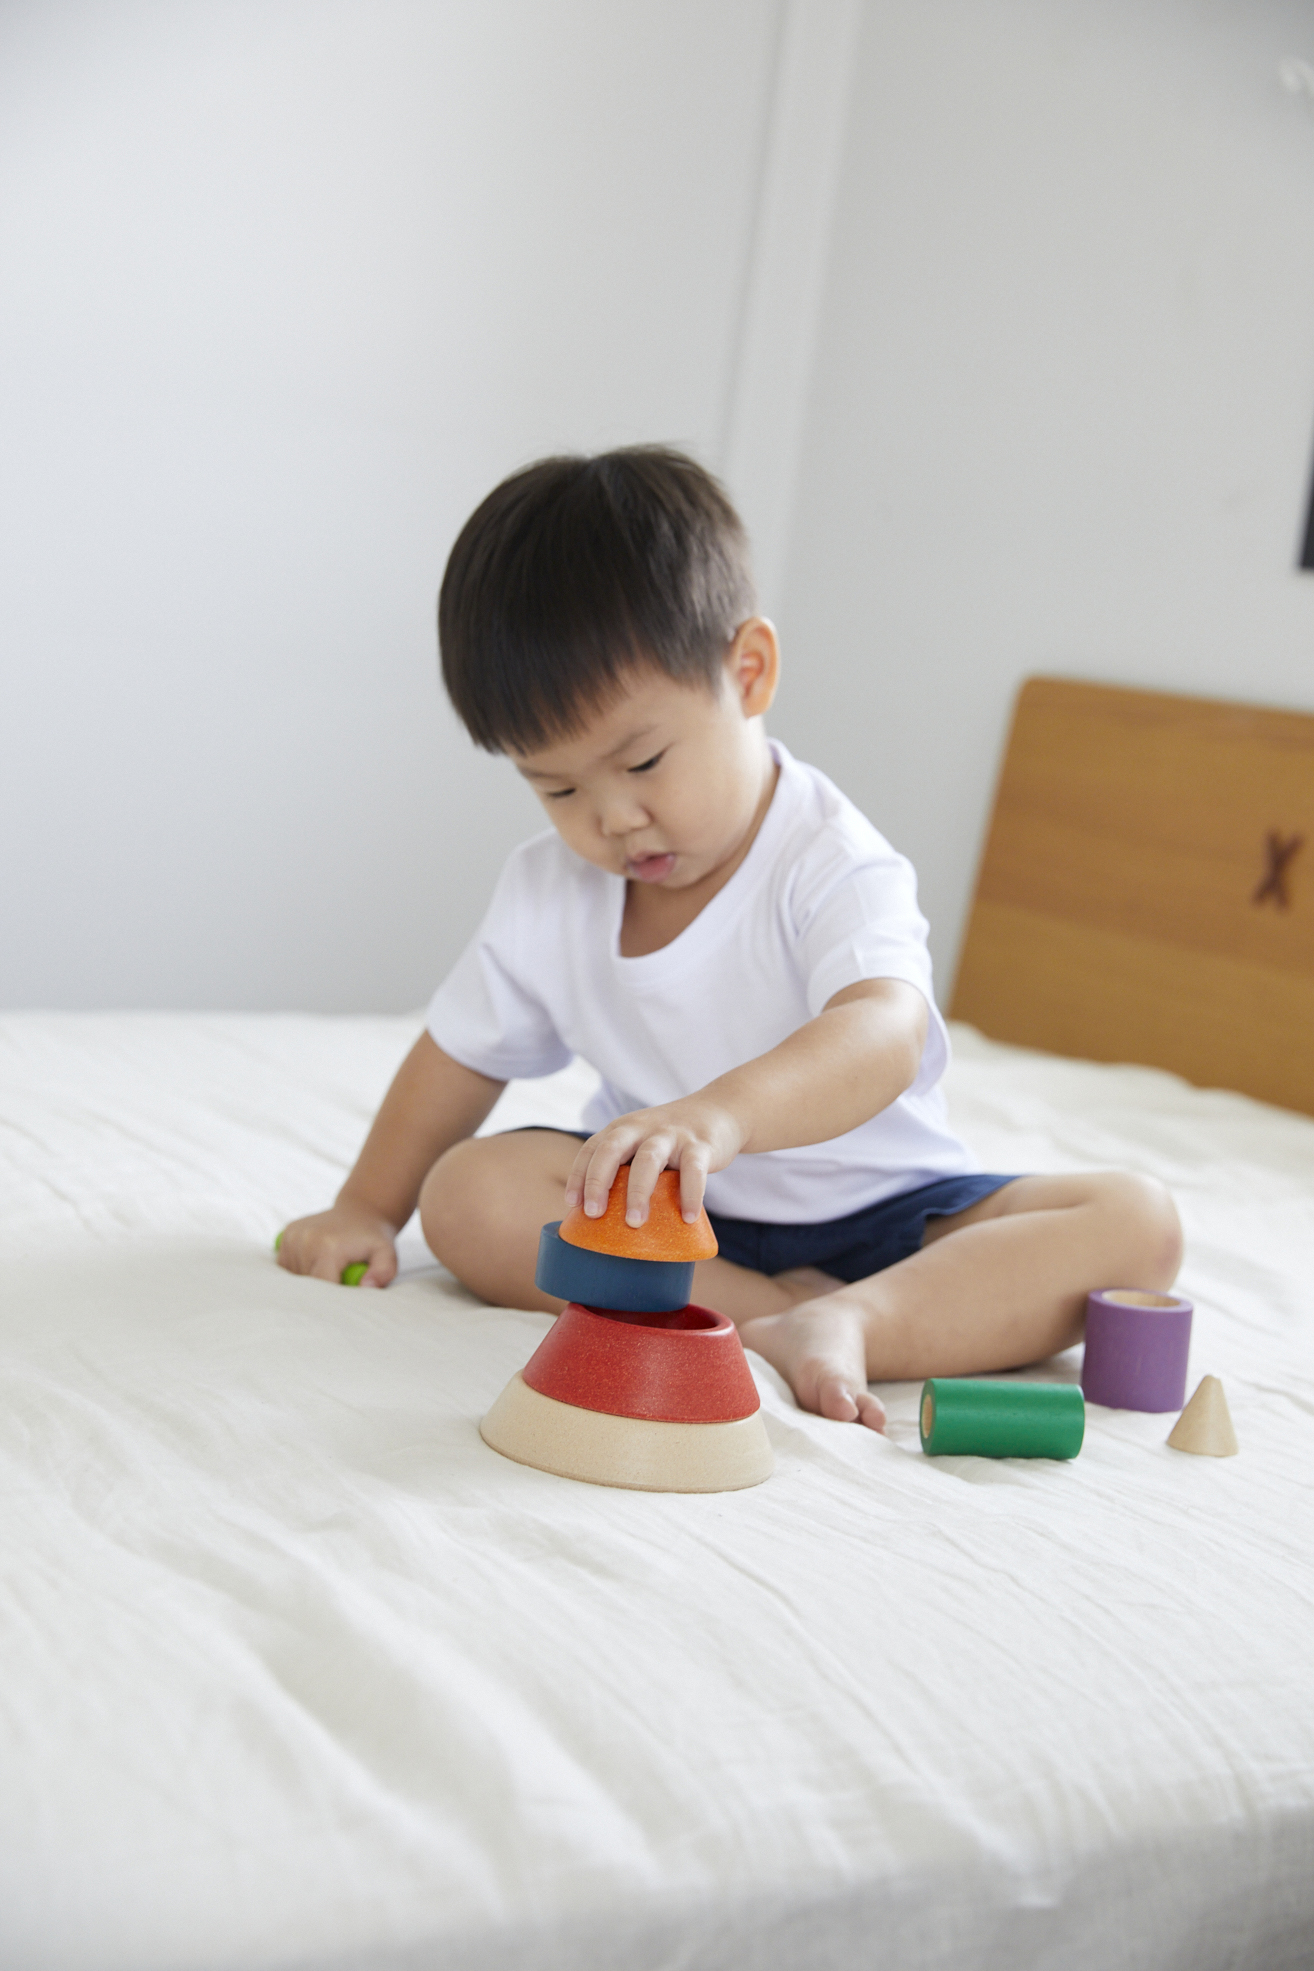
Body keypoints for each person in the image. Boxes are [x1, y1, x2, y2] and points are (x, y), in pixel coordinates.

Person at [277, 447, 1182, 1429]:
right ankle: (772, 1317)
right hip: (667, 1215)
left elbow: (885, 1030)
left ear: (747, 672)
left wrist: (724, 1116)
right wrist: (366, 1206)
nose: (613, 819)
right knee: (465, 1197)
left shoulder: (828, 856)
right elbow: (459, 1054)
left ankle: (863, 1316)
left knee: (1137, 1224)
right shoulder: (547, 889)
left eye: (643, 762)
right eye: (559, 788)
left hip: (888, 1215)